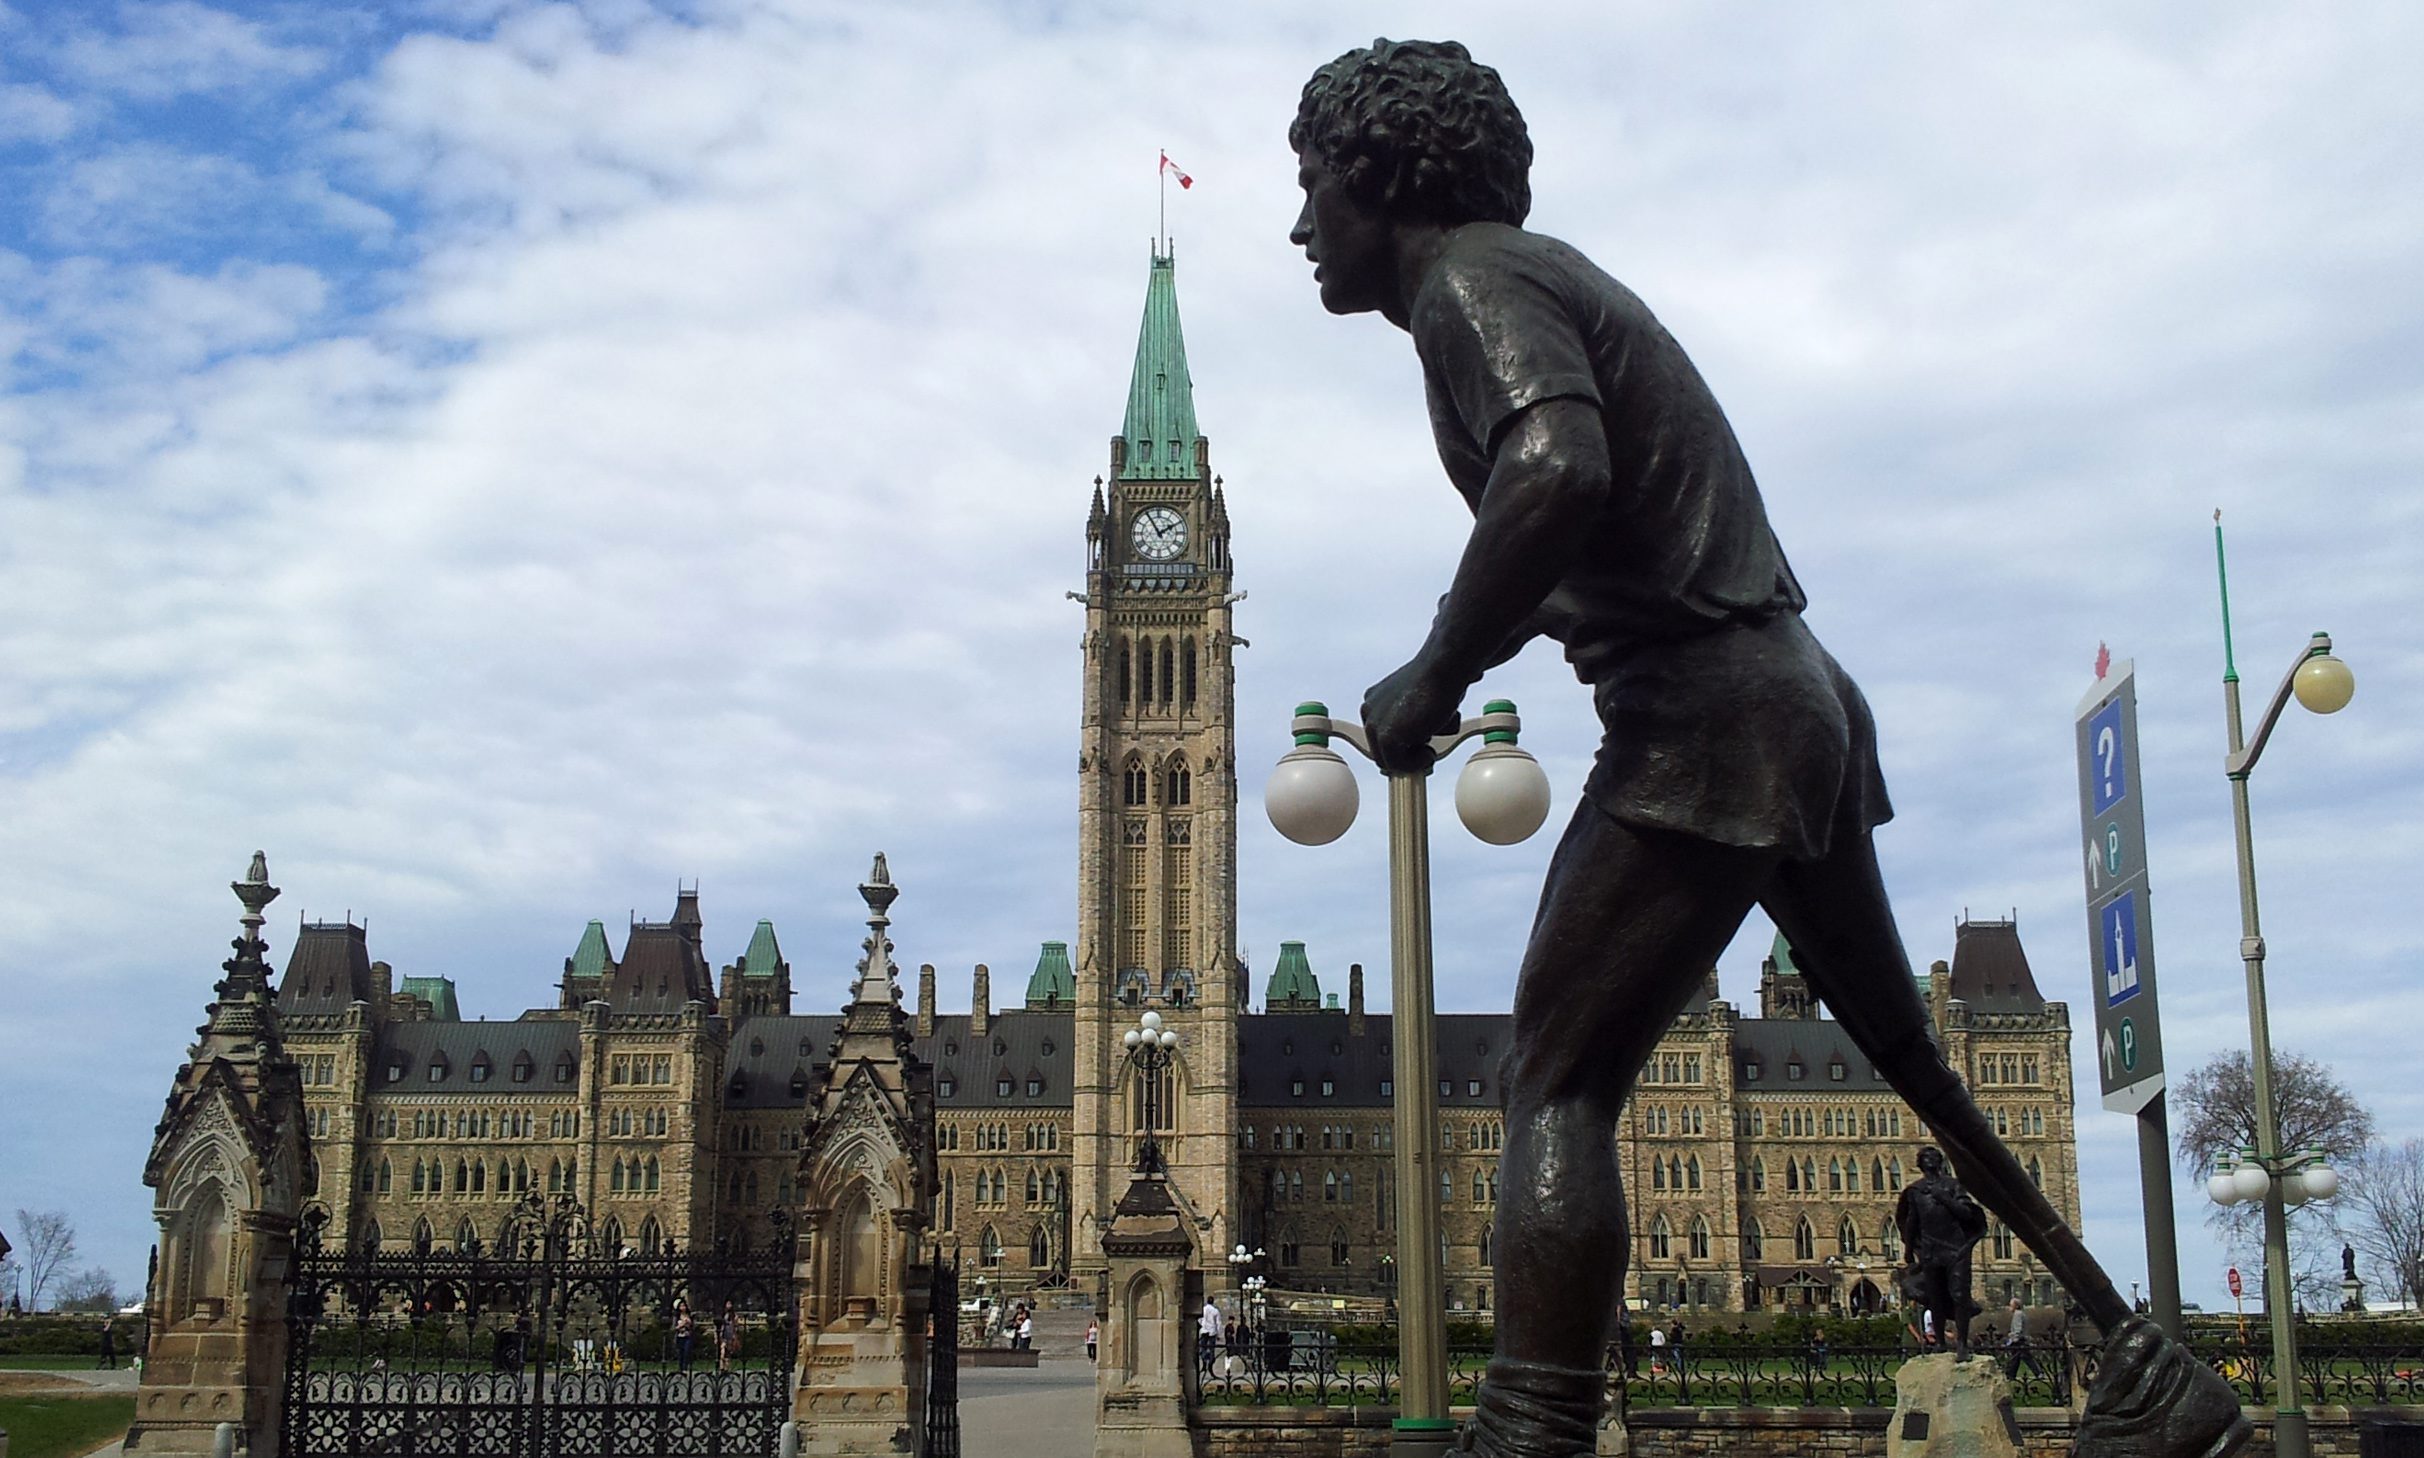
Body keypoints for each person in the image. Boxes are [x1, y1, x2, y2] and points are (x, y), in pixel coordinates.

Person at [1283, 36, 2247, 1458]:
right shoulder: (1546, 280)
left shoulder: (1467, 287)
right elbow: (1585, 529)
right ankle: (2164, 1378)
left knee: (1551, 1082)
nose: (1301, 225)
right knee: (1909, 1056)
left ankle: (1530, 1431)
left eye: (1314, 186)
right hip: (1795, 691)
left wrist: (1438, 667)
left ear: (1383, 176)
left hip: (1707, 713)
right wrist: (1459, 641)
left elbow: (1558, 470)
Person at [2003, 1298, 2033, 1381]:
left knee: (2016, 1358)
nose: (2009, 1307)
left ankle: (2010, 1375)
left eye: (2011, 1305)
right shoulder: (2021, 1313)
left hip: (2018, 1340)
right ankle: (2011, 1374)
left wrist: (2014, 1338)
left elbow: (2018, 1328)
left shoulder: (2017, 1314)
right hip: (2021, 1338)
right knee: (2020, 1357)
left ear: (2016, 1306)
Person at [1198, 1297, 1225, 1376]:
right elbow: (1218, 1323)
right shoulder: (1215, 1311)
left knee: (1203, 1347)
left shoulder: (1203, 1309)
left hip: (1204, 1330)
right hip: (1212, 1331)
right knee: (1211, 1348)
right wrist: (1219, 1334)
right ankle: (1210, 1363)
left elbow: (1199, 1319)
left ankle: (1204, 1360)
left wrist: (1202, 1325)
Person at [716, 1301, 739, 1373]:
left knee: (728, 1352)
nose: (729, 1305)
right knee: (722, 1351)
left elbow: (736, 1326)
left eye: (730, 1304)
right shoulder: (723, 1314)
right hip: (723, 1335)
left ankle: (726, 1368)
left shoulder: (734, 1315)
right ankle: (721, 1366)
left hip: (730, 1335)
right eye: (727, 1304)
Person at [674, 1300, 696, 1372]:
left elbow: (693, 1326)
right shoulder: (677, 1317)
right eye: (681, 1306)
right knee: (680, 1352)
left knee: (686, 1351)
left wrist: (689, 1323)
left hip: (687, 1336)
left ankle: (685, 1367)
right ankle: (680, 1368)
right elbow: (674, 1327)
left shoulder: (689, 1316)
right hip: (680, 1336)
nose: (683, 1308)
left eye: (684, 1306)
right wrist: (681, 1325)